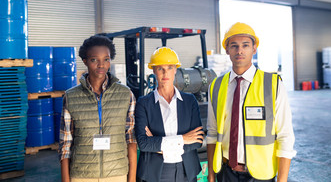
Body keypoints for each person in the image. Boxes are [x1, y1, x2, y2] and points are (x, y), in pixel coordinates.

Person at [206, 23, 296, 182]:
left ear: (254, 49)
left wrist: (282, 180)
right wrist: (211, 176)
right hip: (225, 173)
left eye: (245, 45)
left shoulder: (273, 85)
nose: (239, 51)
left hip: (260, 175)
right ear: (227, 50)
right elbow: (212, 133)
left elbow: (285, 136)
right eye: (234, 46)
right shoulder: (216, 86)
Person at [58, 35, 137, 182]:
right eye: (94, 60)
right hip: (82, 175)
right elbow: (65, 144)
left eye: (106, 59)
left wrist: (131, 179)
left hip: (117, 173)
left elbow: (131, 139)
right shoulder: (71, 97)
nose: (101, 65)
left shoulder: (126, 94)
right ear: (85, 61)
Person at [135, 47, 204, 182]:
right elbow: (143, 143)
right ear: (153, 70)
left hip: (186, 170)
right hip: (156, 173)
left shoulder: (190, 101)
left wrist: (159, 146)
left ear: (176, 70)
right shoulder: (144, 103)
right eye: (160, 68)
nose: (165, 73)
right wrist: (183, 139)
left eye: (170, 67)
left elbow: (197, 140)